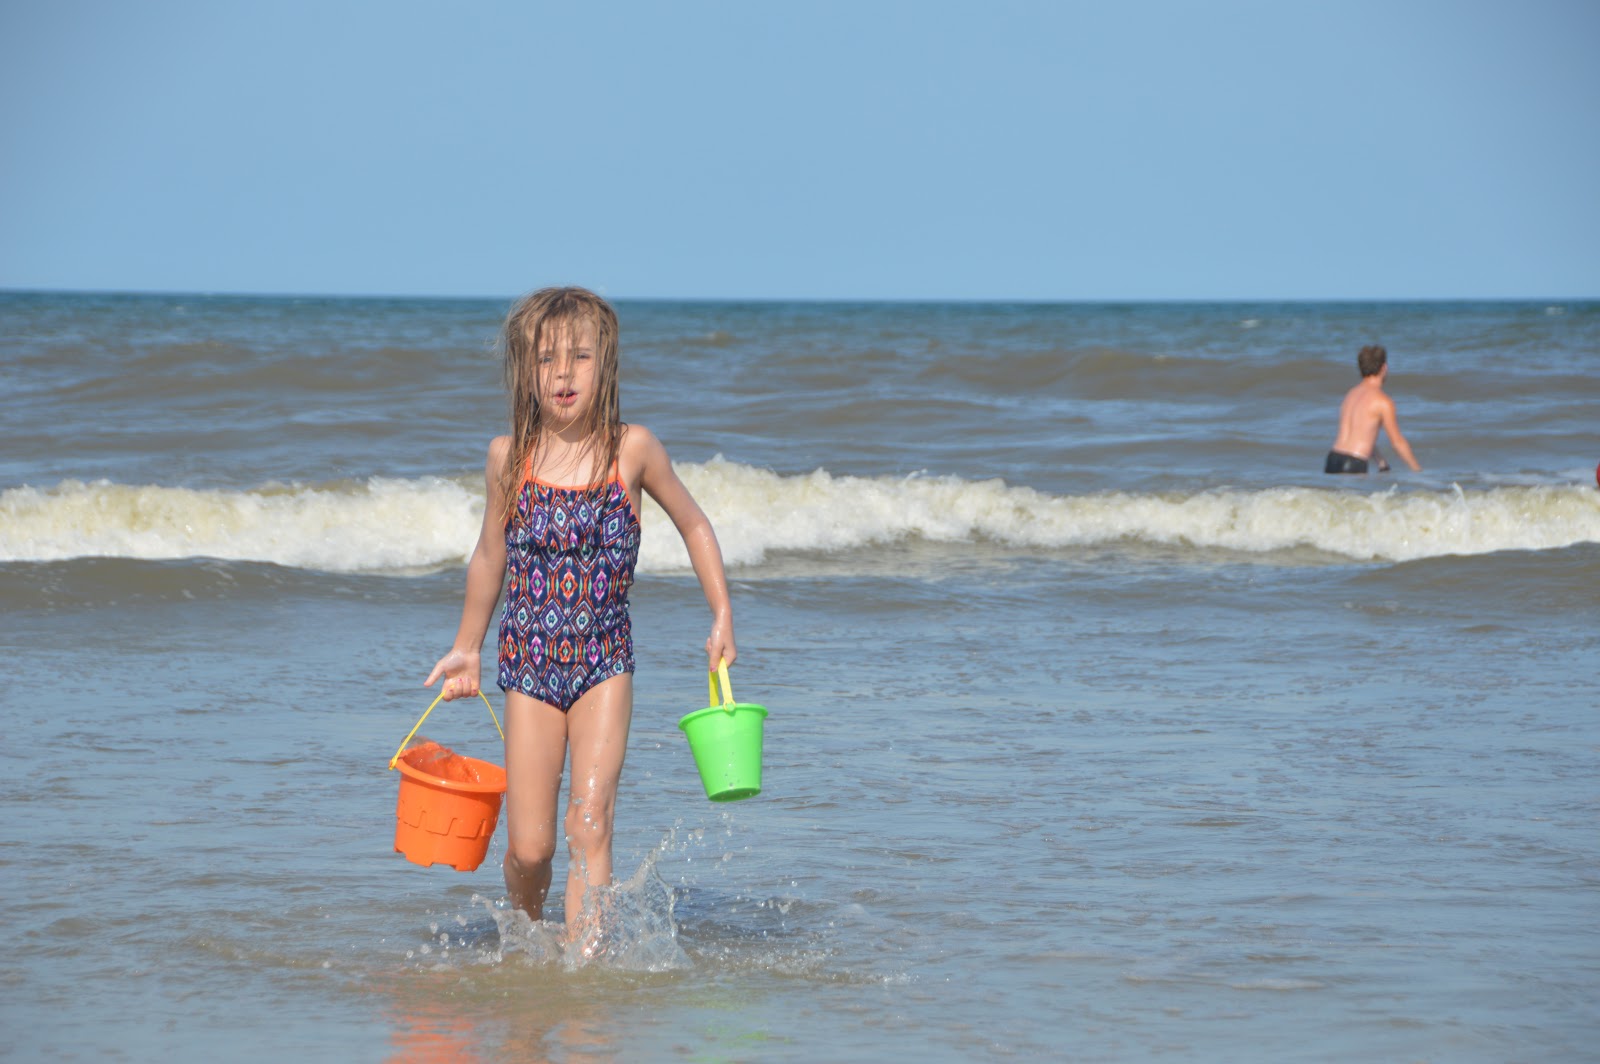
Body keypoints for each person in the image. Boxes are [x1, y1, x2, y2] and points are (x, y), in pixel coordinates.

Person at [424, 286, 736, 949]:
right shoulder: (508, 458)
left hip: (604, 663)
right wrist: (467, 646)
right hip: (529, 666)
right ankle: (526, 941)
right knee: (531, 848)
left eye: (580, 357)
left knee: (589, 822)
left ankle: (585, 972)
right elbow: (490, 554)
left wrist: (722, 613)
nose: (563, 375)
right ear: (525, 370)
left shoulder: (632, 450)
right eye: (547, 360)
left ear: (606, 364)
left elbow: (695, 524)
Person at [1325, 344, 1421, 474]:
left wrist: (1380, 461)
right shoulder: (1383, 401)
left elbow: (1360, 433)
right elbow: (1397, 442)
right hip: (1354, 463)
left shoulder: (1350, 395)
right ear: (1384, 368)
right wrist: (1417, 470)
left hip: (1333, 458)